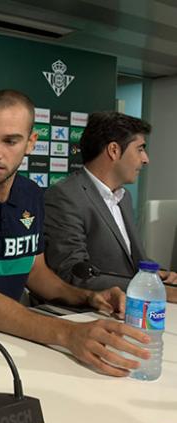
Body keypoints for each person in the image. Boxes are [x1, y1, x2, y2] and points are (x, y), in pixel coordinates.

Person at [0, 90, 150, 377]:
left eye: (10, 141)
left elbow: (36, 272)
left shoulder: (31, 195)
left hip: (4, 338)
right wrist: (67, 334)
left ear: (31, 143)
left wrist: (87, 296)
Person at [44, 111, 177, 303]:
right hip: (92, 313)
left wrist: (160, 276)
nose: (146, 159)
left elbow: (134, 260)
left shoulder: (124, 197)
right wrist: (154, 289)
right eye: (140, 149)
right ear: (114, 150)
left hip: (135, 307)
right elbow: (73, 273)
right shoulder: (65, 196)